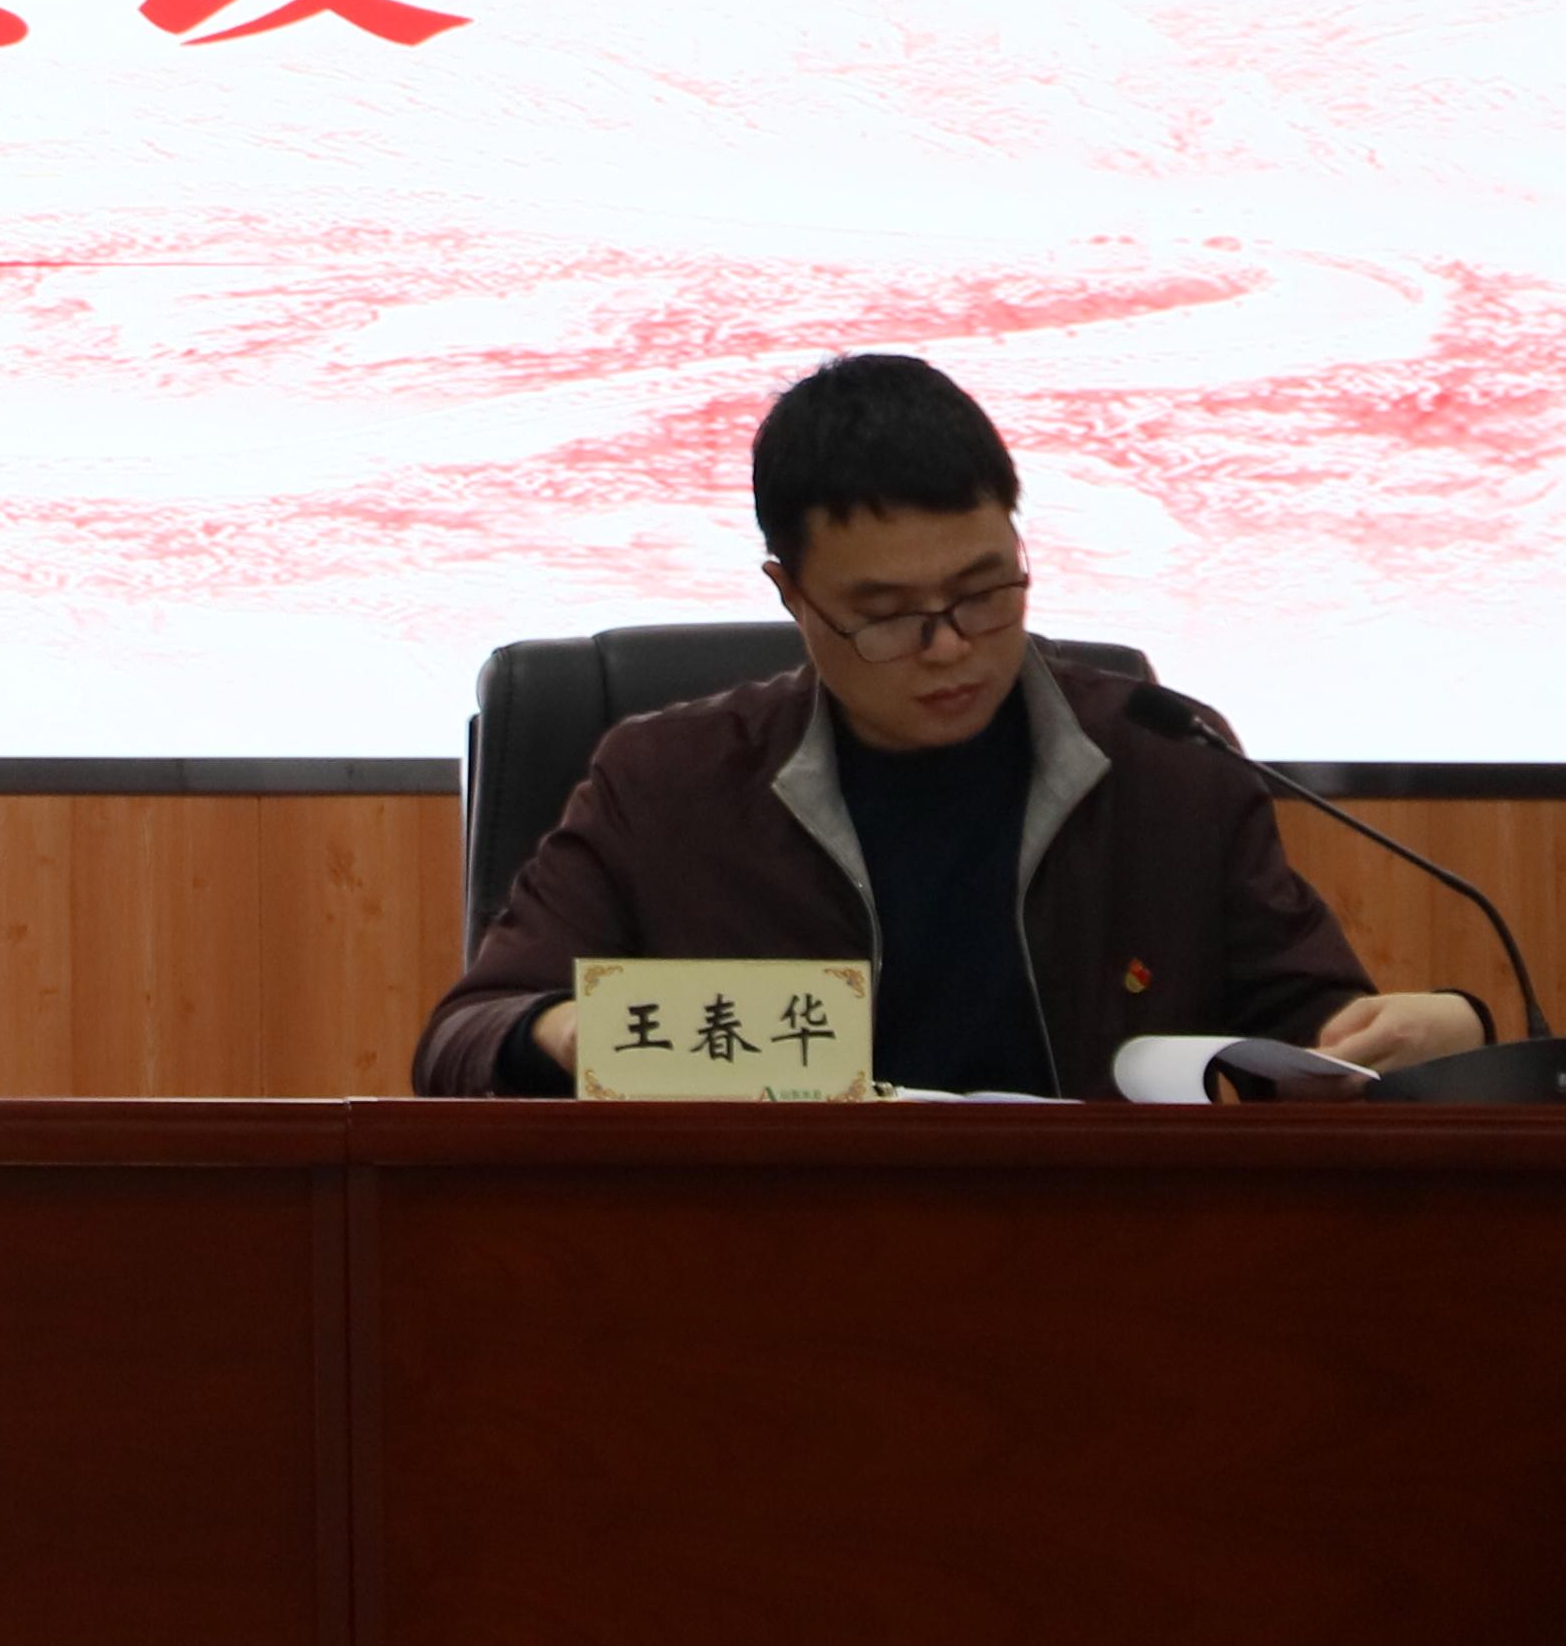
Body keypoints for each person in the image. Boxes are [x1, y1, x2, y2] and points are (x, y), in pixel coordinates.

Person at [418, 352, 1495, 1099]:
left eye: (984, 593)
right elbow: (461, 1040)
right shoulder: (666, 783)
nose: (950, 648)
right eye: (888, 615)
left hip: (1103, 1269)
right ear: (792, 595)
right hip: (771, 1269)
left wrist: (1439, 1032)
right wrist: (572, 1031)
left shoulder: (1168, 761)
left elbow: (1311, 1035)